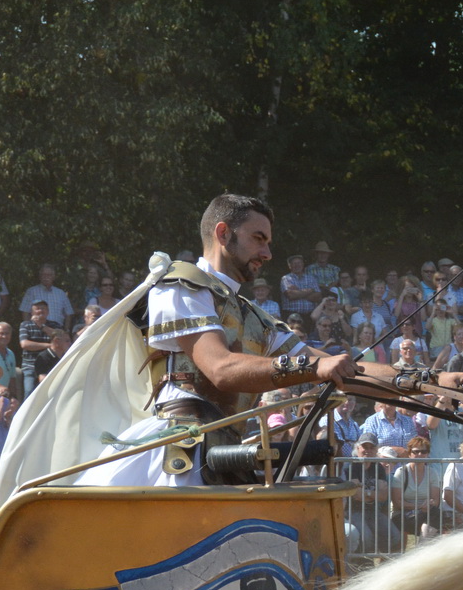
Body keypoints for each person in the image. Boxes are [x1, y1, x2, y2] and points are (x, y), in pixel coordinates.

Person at [80, 195, 378, 487]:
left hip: (225, 452)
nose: (267, 253)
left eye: (268, 242)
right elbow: (221, 369)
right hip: (180, 452)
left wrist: (412, 380)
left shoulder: (254, 317)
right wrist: (315, 368)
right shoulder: (182, 286)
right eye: (258, 238)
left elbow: (339, 366)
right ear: (223, 233)